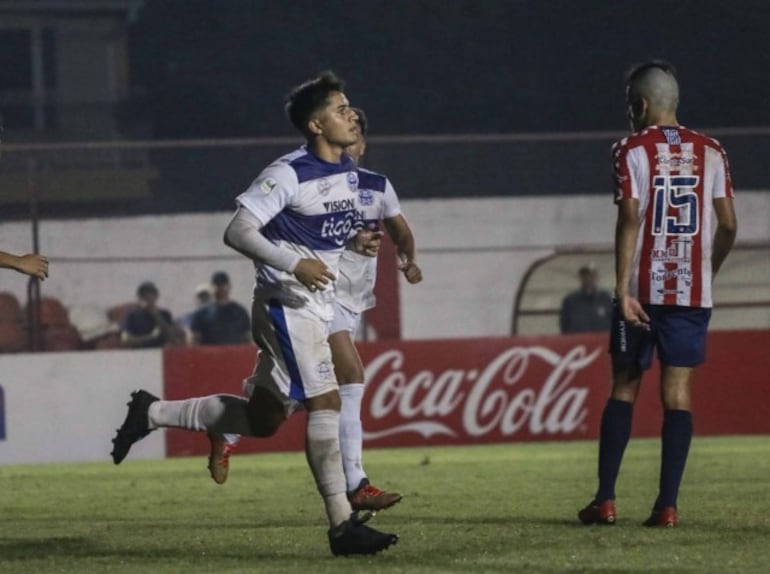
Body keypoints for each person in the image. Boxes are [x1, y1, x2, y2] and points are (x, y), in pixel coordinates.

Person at [110, 71, 398, 556]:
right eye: (340, 109)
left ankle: (152, 412)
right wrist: (294, 263)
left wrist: (353, 241)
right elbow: (238, 231)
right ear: (315, 125)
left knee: (264, 419)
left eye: (350, 108)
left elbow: (317, 233)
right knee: (325, 402)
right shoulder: (287, 172)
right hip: (288, 304)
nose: (352, 116)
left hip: (312, 304)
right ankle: (342, 525)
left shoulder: (345, 175)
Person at [207, 109, 424, 514]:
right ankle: (355, 485)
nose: (351, 140)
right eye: (347, 126)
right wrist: (349, 245)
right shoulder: (308, 180)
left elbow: (400, 230)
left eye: (357, 133)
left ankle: (225, 427)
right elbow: (294, 237)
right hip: (314, 295)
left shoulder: (375, 187)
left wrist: (408, 259)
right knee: (349, 377)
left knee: (276, 410)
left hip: (347, 300)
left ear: (362, 144)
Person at [577, 61, 737, 528]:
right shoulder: (712, 150)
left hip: (642, 292)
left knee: (625, 385)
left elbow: (630, 217)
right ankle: (667, 506)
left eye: (631, 104)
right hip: (690, 292)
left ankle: (605, 500)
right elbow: (728, 224)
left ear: (641, 105)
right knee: (678, 393)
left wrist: (622, 288)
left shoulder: (630, 148)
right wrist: (709, 268)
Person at [189, 271, 251, 345]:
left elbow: (247, 339)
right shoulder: (201, 314)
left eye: (223, 285)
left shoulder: (240, 312)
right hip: (209, 355)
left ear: (229, 286)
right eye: (217, 285)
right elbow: (194, 340)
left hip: (235, 355)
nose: (220, 288)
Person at [121, 281, 184, 348]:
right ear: (139, 298)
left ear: (156, 296)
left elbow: (171, 338)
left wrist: (156, 315)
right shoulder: (132, 316)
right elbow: (126, 339)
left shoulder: (165, 314)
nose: (147, 298)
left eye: (151, 294)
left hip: (159, 352)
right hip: (138, 353)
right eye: (144, 295)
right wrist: (151, 337)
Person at [559, 263, 613, 333]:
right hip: (579, 342)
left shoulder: (606, 298)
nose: (588, 279)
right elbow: (565, 325)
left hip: (603, 342)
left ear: (596, 277)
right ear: (580, 278)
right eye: (585, 276)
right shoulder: (570, 300)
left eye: (591, 276)